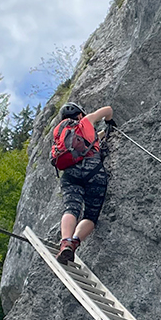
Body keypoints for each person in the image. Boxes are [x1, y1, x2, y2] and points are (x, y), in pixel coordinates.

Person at [51, 101, 114, 264]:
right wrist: (109, 122)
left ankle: (65, 241)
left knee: (71, 208)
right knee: (91, 216)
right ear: (79, 115)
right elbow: (108, 110)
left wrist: (101, 134)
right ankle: (74, 242)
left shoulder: (59, 131)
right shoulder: (85, 122)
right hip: (93, 171)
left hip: (70, 173)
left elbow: (90, 140)